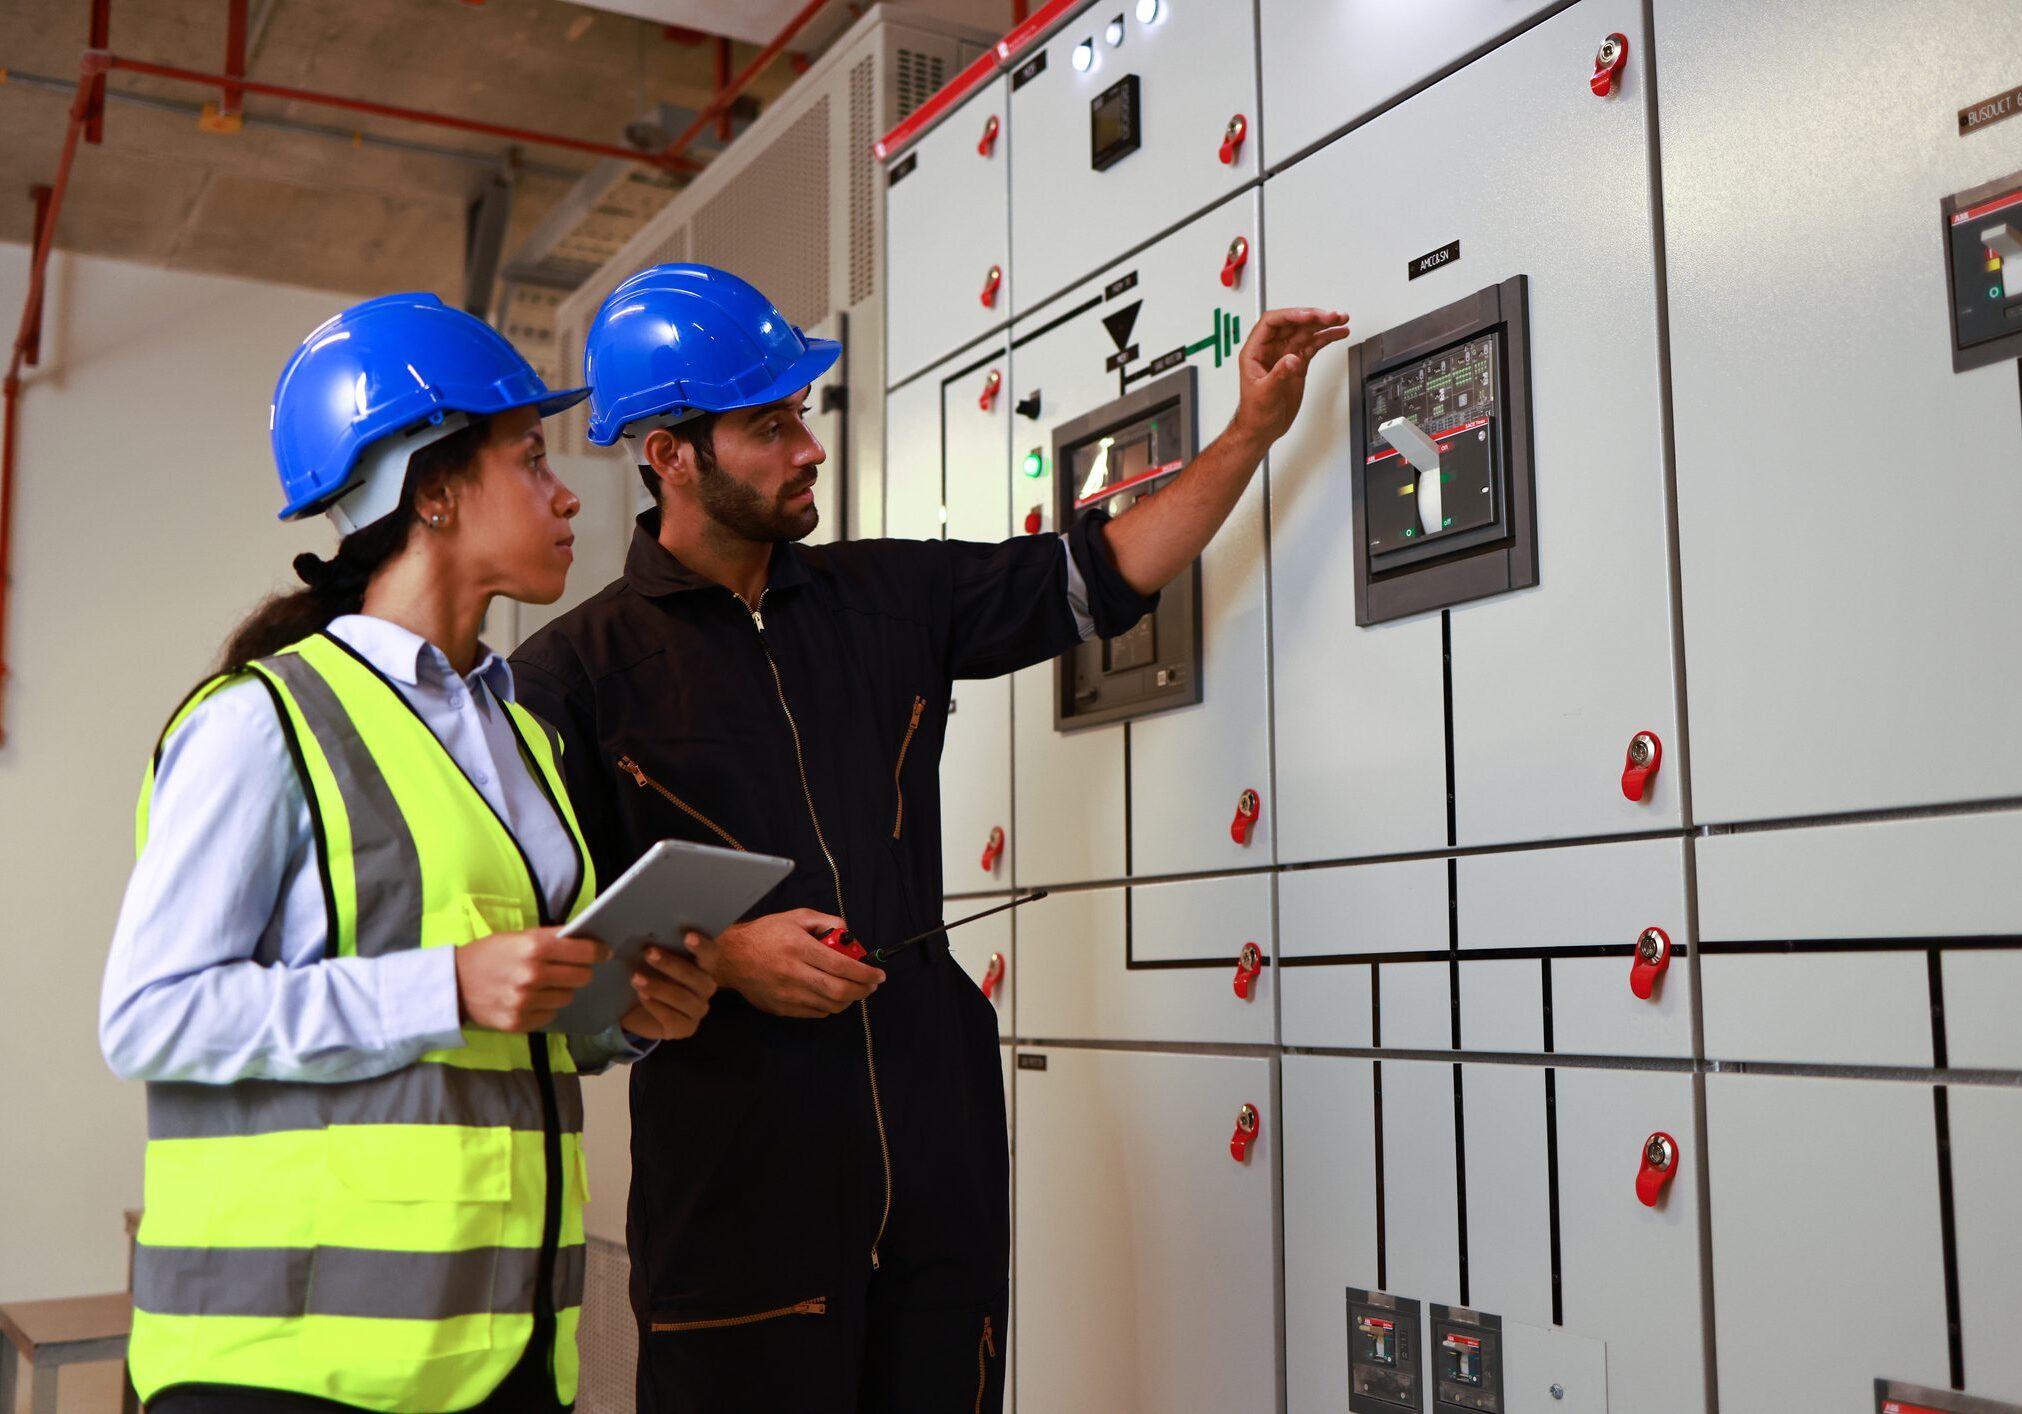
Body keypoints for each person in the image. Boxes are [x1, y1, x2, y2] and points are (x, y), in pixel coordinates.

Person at [510, 262, 1348, 1413]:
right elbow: (557, 958)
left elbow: (1100, 576)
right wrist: (726, 958)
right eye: (769, 425)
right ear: (669, 454)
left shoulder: (886, 597)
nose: (807, 447)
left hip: (933, 1167)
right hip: (738, 1201)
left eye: (803, 415)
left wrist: (1251, 431)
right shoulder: (571, 679)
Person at [99, 292, 717, 1413]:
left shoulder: (518, 730)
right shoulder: (259, 721)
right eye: (531, 458)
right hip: (288, 1369)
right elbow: (150, 1015)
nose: (568, 489)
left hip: (495, 1353)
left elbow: (505, 1026)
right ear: (433, 490)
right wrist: (449, 985)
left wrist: (623, 1013)